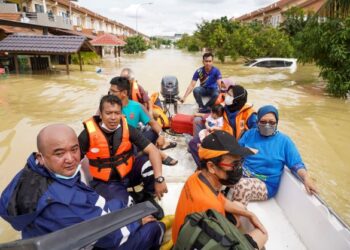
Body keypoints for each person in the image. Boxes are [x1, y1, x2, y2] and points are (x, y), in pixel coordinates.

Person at [0, 124, 165, 249]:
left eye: (74, 149)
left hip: (51, 236)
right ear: (41, 157)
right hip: (86, 238)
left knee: (121, 203)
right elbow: (112, 237)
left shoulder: (30, 173)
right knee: (153, 228)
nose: (70, 159)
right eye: (59, 153)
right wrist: (136, 221)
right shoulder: (65, 202)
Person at [172, 131, 268, 249]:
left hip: (185, 235)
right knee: (262, 235)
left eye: (240, 162)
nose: (238, 169)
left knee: (239, 207)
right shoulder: (210, 206)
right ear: (211, 167)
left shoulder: (196, 177)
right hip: (194, 242)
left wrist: (249, 214)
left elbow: (221, 199)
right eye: (234, 164)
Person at [79, 95, 168, 215]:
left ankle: (147, 196)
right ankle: (130, 199)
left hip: (128, 173)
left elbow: (153, 150)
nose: (113, 118)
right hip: (106, 182)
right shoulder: (86, 135)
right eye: (108, 113)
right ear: (100, 114)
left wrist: (159, 179)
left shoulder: (128, 128)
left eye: (117, 113)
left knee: (148, 163)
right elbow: (74, 160)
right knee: (124, 210)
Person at [227, 105, 318, 206]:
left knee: (241, 186)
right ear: (257, 122)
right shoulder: (250, 134)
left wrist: (306, 178)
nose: (267, 125)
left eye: (271, 122)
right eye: (263, 122)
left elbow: (296, 164)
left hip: (265, 184)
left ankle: (234, 219)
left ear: (277, 123)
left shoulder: (284, 141)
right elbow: (236, 151)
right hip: (243, 173)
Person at [109, 76, 178, 166]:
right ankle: (158, 154)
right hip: (117, 143)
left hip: (135, 140)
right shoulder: (107, 107)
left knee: (154, 132)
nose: (110, 94)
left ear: (124, 93)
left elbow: (153, 123)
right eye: (110, 91)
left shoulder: (137, 107)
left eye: (113, 91)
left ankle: (147, 151)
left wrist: (161, 136)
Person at [189, 85, 258, 167]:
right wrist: (199, 114)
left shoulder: (249, 114)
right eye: (227, 93)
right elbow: (214, 115)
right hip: (220, 137)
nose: (227, 96)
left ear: (237, 99)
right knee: (193, 143)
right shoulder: (226, 107)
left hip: (235, 145)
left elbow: (255, 135)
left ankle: (214, 166)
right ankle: (204, 167)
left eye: (230, 95)